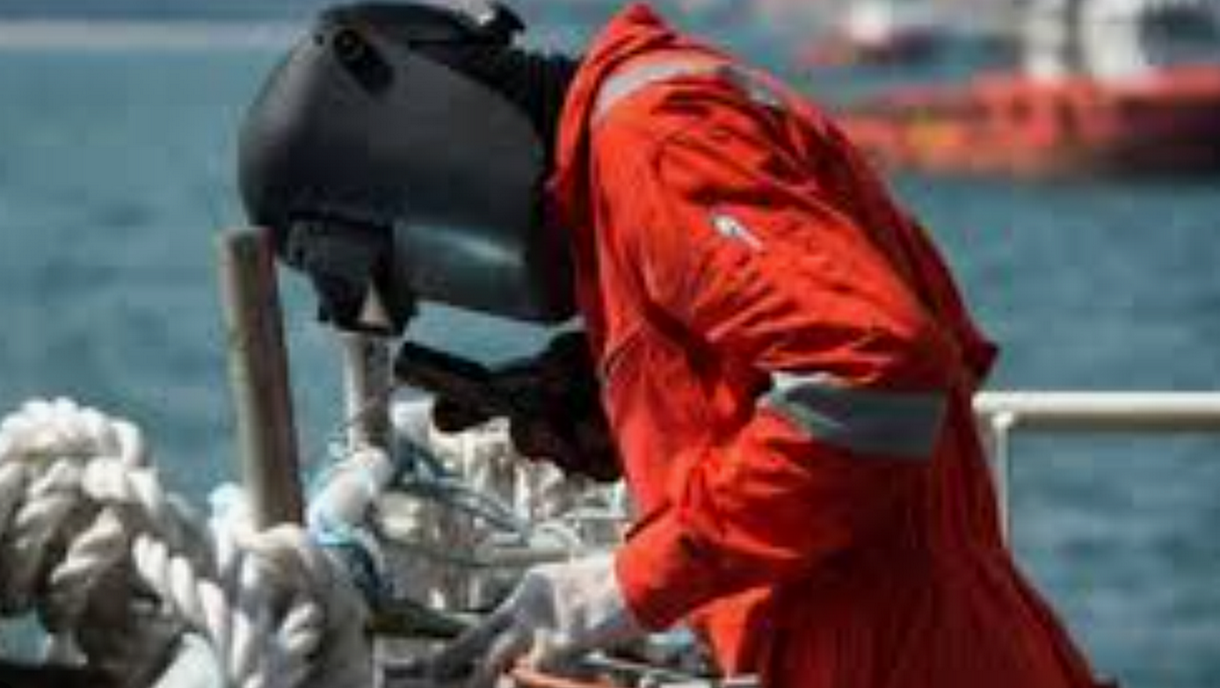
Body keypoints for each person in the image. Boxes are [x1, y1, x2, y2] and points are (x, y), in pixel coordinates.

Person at [239, 2, 1107, 687]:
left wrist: (626, 584)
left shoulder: (653, 141)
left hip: (899, 656)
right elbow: (824, 361)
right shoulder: (636, 145)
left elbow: (877, 379)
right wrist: (620, 405)